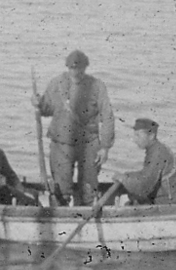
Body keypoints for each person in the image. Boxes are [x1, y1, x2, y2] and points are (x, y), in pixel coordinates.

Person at [32, 49, 114, 205]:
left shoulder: (97, 86)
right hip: (62, 144)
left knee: (88, 190)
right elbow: (48, 109)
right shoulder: (57, 83)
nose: (75, 72)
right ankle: (61, 223)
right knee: (60, 191)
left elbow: (108, 116)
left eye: (79, 68)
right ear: (67, 68)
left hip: (89, 145)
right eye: (72, 68)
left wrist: (105, 146)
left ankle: (86, 216)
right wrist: (39, 103)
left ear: (85, 68)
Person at [111, 118, 176, 205]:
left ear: (151, 136)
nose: (134, 139)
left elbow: (144, 187)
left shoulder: (157, 153)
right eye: (134, 135)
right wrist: (128, 175)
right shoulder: (155, 149)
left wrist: (124, 179)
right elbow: (146, 174)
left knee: (134, 199)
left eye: (138, 135)